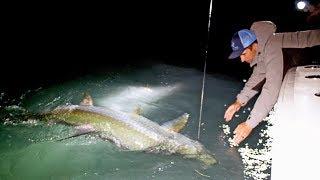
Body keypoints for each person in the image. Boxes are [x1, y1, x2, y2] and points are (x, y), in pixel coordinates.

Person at [224, 21, 320, 145]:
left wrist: (249, 124)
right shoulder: (262, 48)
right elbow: (257, 77)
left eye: (243, 54)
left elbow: (271, 88)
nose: (242, 60)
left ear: (254, 46)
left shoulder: (271, 46)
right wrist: (238, 102)